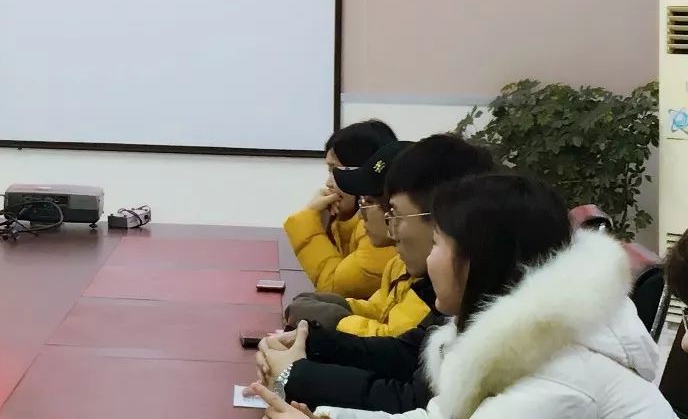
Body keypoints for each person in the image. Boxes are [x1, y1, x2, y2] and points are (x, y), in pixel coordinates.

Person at [252, 173, 674, 418]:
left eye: (438, 243)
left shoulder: (558, 376)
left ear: (478, 261)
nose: (429, 258)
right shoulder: (522, 340)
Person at [264, 134, 497, 410]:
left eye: (393, 212)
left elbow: (411, 400)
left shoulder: (485, 318)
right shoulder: (458, 299)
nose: (391, 229)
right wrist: (311, 341)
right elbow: (407, 351)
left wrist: (296, 373)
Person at [287, 141, 434, 337]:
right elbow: (378, 310)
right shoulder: (397, 262)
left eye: (367, 201)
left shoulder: (418, 268)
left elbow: (394, 341)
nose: (329, 184)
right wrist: (340, 306)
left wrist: (334, 319)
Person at [284, 120, 399, 300]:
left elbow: (334, 288)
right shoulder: (351, 221)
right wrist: (328, 221)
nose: (328, 183)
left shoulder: (384, 229)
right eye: (329, 171)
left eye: (336, 171)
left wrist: (308, 219)